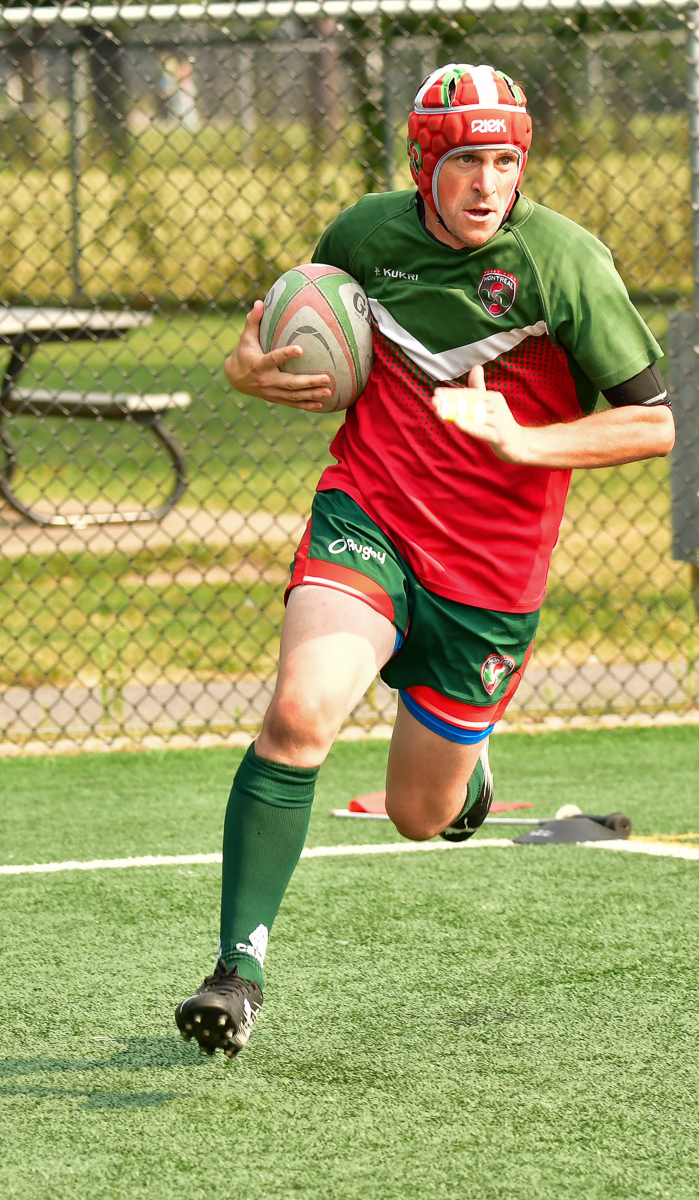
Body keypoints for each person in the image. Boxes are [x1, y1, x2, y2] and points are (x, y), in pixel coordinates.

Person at [174, 64, 673, 1057]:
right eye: (465, 162)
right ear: (421, 162)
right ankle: (238, 969)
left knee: (420, 815)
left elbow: (652, 425)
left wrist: (525, 441)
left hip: (490, 581)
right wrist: (246, 371)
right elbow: (310, 339)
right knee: (298, 714)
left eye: (505, 161)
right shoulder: (362, 239)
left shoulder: (563, 264)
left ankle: (468, 783)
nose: (489, 184)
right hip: (372, 517)